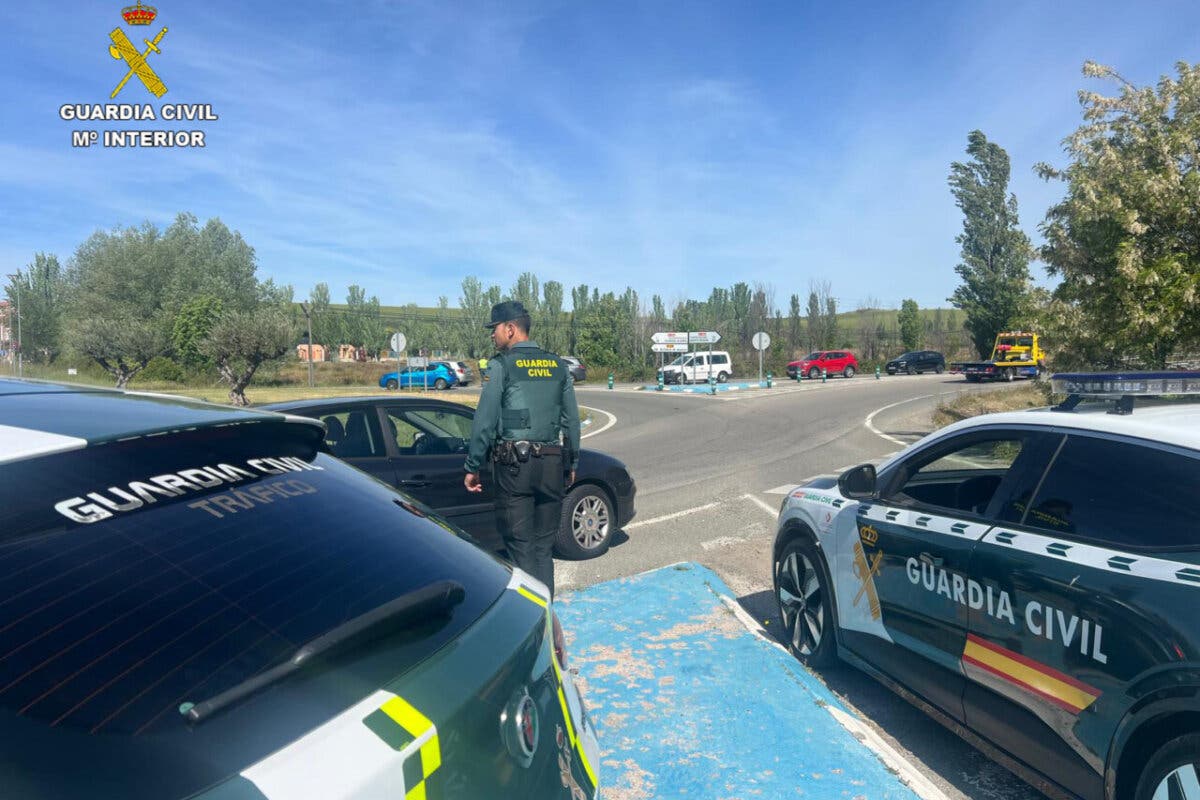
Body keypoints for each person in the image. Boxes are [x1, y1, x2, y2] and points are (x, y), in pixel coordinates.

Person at [464, 300, 580, 596]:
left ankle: (532, 626)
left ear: (511, 329)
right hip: (552, 467)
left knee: (520, 549)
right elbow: (572, 422)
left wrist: (473, 466)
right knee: (543, 549)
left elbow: (485, 420)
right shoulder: (557, 365)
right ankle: (548, 614)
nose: (492, 335)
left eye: (495, 329)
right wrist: (572, 464)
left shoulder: (501, 366)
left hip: (515, 469)